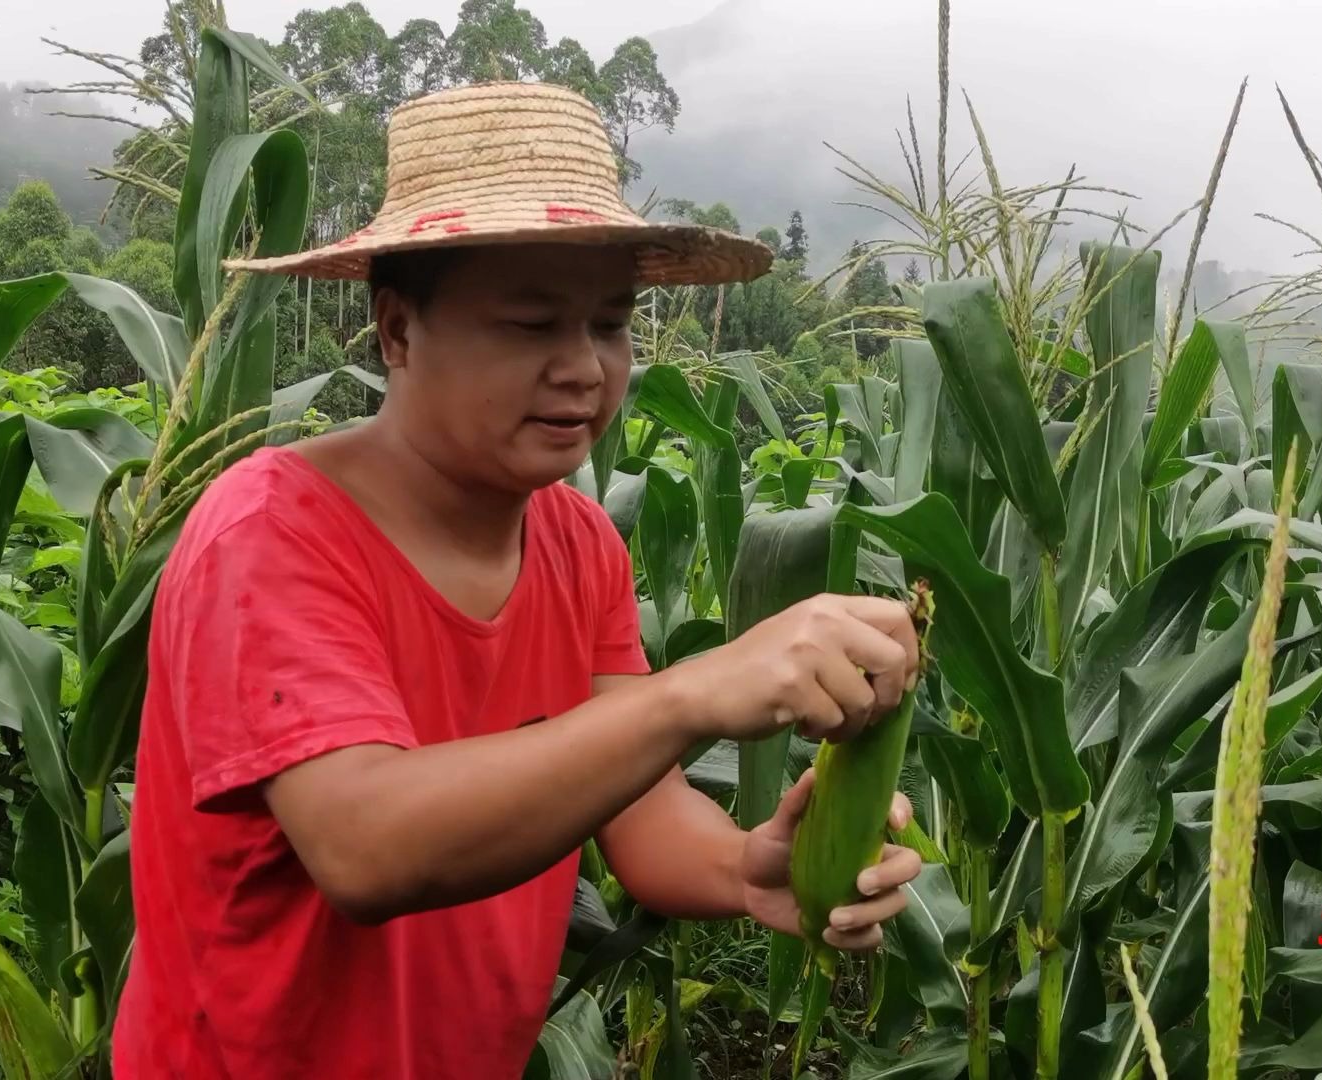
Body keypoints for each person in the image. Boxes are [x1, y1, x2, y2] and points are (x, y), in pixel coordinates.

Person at [113, 81, 924, 1079]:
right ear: (398, 329)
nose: (585, 368)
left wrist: (747, 869)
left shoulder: (579, 540)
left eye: (611, 325)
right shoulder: (272, 531)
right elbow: (366, 846)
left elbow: (640, 811)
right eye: (531, 325)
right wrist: (692, 694)